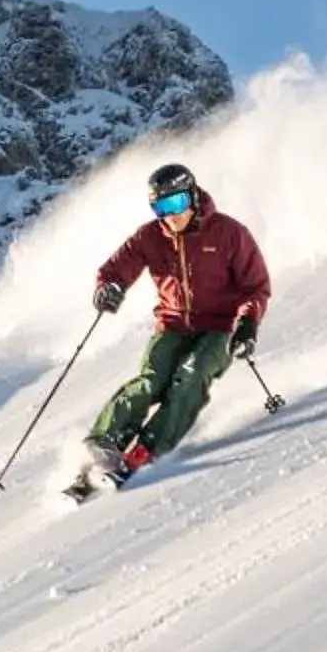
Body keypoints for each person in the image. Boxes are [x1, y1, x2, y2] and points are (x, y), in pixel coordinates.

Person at [80, 162, 272, 486]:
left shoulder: (229, 233)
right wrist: (108, 288)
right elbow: (116, 268)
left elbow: (256, 287)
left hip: (220, 327)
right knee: (151, 380)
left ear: (193, 196)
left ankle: (148, 447)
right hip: (172, 324)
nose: (171, 215)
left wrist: (248, 323)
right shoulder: (150, 236)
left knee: (191, 375)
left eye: (177, 203)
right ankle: (105, 441)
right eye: (161, 207)